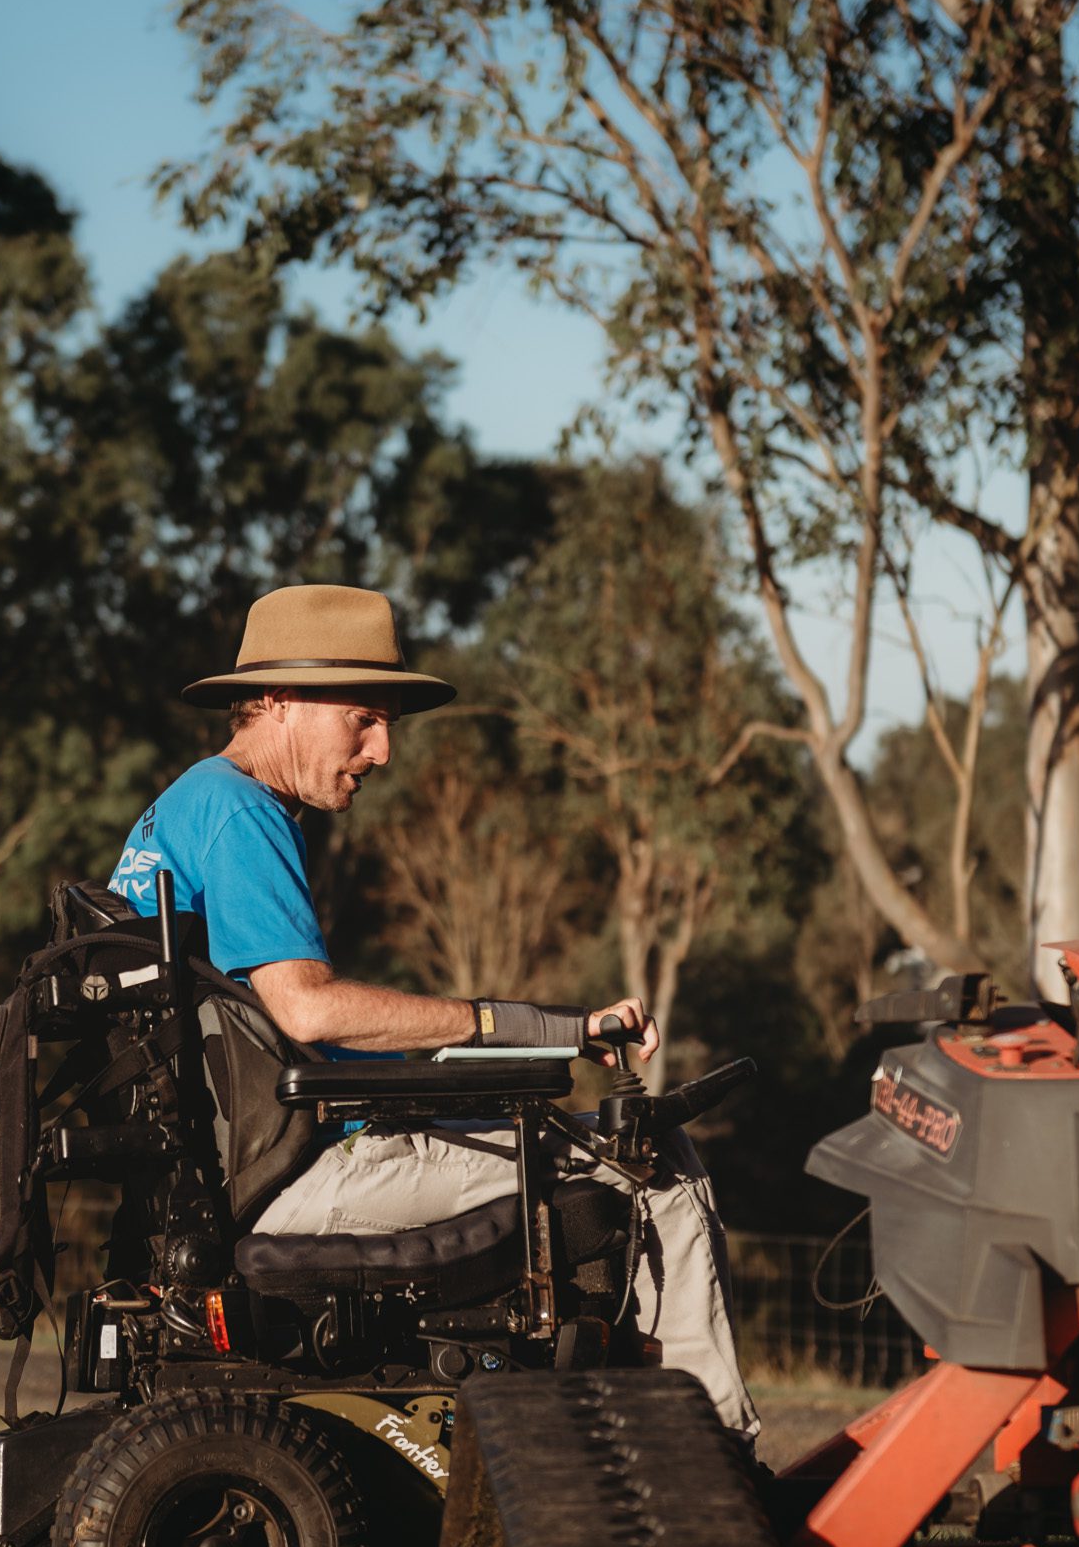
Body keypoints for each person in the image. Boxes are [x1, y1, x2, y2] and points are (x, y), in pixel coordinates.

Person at [110, 582, 758, 1440]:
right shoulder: (241, 813)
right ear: (276, 700)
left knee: (585, 1134)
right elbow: (307, 1011)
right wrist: (511, 1026)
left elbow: (264, 1043)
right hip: (294, 1173)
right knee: (652, 1170)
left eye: (387, 726)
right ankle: (719, 1474)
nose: (380, 752)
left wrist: (540, 1037)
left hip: (251, 1164)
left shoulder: (183, 808)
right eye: (362, 720)